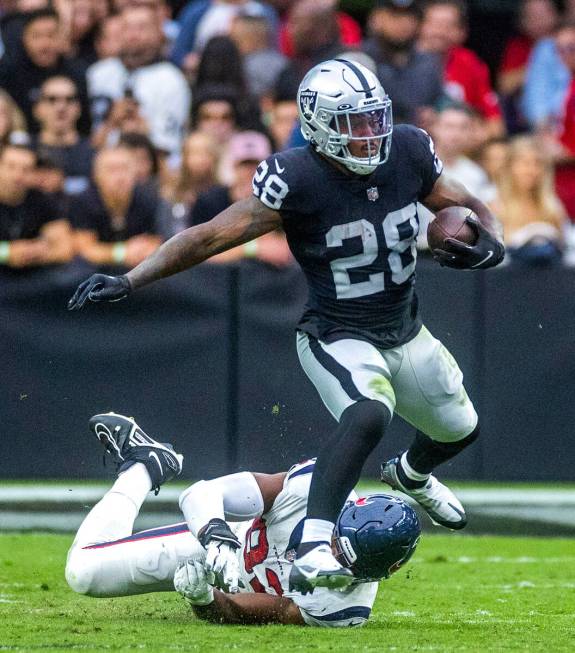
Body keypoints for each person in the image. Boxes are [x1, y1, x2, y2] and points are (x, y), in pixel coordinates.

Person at [68, 59, 504, 593]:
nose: (370, 135)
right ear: (318, 125)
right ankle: (315, 542)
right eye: (354, 123)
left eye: (374, 119)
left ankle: (410, 473)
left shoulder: (409, 150)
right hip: (336, 332)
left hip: (405, 328)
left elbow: (467, 206)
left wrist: (491, 240)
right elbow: (209, 235)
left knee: (461, 429)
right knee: (369, 412)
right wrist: (133, 280)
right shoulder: (297, 177)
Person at [65, 412, 421, 626]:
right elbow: (200, 494)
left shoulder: (345, 608)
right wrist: (215, 536)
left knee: (83, 577)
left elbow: (262, 613)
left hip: (221, 578)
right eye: (335, 542)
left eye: (345, 561)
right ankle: (147, 464)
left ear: (383, 573)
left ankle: (146, 462)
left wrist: (204, 599)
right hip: (218, 541)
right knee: (83, 572)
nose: (330, 554)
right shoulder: (312, 489)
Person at [87, 4, 191, 159]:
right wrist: (112, 121)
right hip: (101, 162)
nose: (133, 35)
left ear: (159, 33)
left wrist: (141, 127)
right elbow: (84, 141)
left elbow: (169, 146)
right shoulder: (97, 74)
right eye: (127, 28)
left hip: (153, 168)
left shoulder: (171, 79)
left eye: (142, 28)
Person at [418, 0, 505, 139]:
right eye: (434, 24)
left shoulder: (470, 63)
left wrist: (464, 136)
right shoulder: (400, 62)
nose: (440, 32)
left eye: (448, 26)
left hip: (461, 148)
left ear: (462, 32)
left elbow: (495, 126)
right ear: (418, 25)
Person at [0, 8, 92, 135]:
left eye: (51, 35)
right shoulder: (8, 72)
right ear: (24, 38)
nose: (44, 44)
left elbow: (85, 124)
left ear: (62, 37)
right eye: (36, 36)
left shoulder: (77, 72)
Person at [70, 145, 162, 268]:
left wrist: (143, 251)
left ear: (135, 172)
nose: (120, 177)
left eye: (125, 168)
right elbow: (85, 249)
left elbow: (156, 239)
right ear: (96, 175)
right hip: (95, 270)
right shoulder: (83, 201)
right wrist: (122, 252)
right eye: (111, 170)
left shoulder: (147, 198)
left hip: (137, 265)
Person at [362, 0, 444, 126]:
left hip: (417, 137)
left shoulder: (427, 62)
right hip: (370, 136)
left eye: (409, 16)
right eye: (394, 15)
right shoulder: (359, 59)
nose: (402, 23)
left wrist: (437, 113)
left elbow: (442, 101)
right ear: (376, 18)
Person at [490, 135, 565, 265]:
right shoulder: (495, 207)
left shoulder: (552, 207)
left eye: (537, 163)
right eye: (524, 163)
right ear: (509, 167)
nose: (531, 170)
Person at [0, 143, 73, 270]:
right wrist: (6, 253)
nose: (18, 175)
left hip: (33, 269)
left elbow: (64, 248)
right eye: (11, 167)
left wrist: (35, 253)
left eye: (26, 169)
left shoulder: (42, 200)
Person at [32, 75, 95, 196]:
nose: (61, 107)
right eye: (52, 99)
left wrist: (63, 184)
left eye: (69, 99)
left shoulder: (94, 153)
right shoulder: (23, 153)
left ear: (79, 108)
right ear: (37, 108)